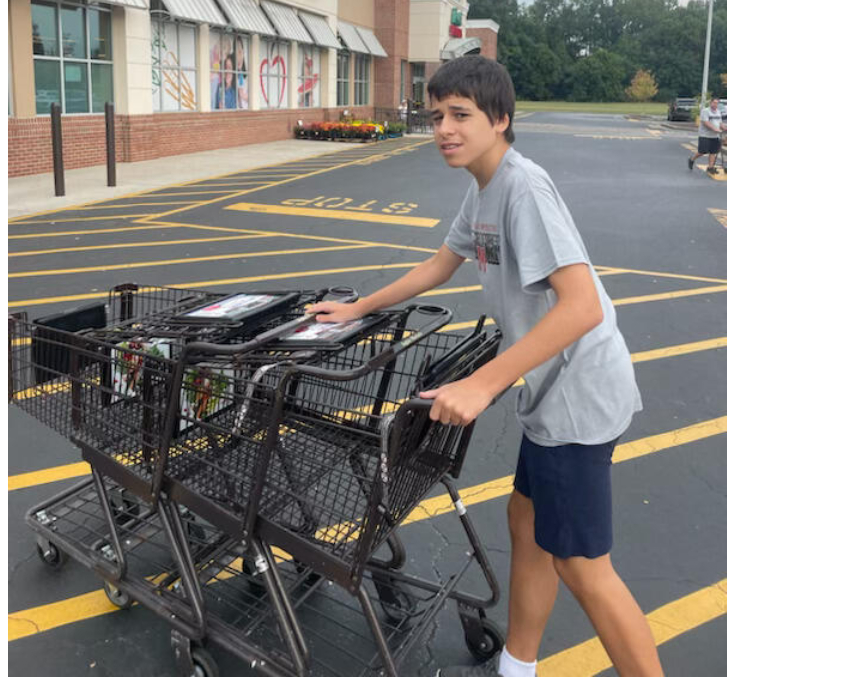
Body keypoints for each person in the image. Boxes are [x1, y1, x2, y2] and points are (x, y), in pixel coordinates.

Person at [308, 56, 663, 677]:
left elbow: (580, 307)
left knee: (583, 566)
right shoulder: (483, 189)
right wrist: (357, 306)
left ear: (500, 119)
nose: (444, 127)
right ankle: (517, 664)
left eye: (460, 115)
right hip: (552, 398)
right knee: (524, 522)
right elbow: (439, 265)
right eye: (436, 115)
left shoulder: (523, 188)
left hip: (579, 398)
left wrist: (482, 382)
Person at [687, 95, 725, 174]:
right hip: (705, 135)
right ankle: (692, 159)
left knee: (713, 152)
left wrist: (724, 128)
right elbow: (706, 123)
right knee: (702, 151)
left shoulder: (718, 112)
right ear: (711, 103)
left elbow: (720, 123)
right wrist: (715, 129)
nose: (715, 105)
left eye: (717, 103)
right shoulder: (705, 111)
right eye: (714, 103)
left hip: (715, 136)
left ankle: (710, 167)